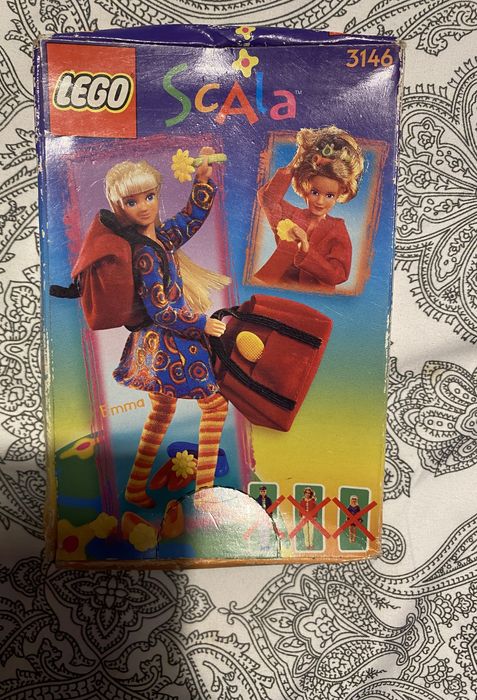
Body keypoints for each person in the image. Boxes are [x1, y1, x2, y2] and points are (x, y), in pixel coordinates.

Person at [105, 148, 230, 508]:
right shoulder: (144, 253)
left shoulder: (159, 237)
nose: (144, 207)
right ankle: (205, 494)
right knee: (215, 406)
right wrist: (201, 323)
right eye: (132, 202)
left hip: (154, 345)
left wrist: (201, 182)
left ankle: (135, 488)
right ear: (119, 207)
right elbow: (160, 310)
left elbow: (190, 220)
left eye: (149, 197)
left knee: (162, 411)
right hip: (169, 342)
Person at [255, 126, 364, 291]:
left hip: (315, 297)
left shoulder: (337, 229)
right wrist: (297, 159)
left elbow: (338, 274)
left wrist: (306, 249)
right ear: (305, 186)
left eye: (329, 195)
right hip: (276, 289)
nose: (320, 201)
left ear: (340, 193)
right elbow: (267, 198)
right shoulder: (290, 215)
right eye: (314, 192)